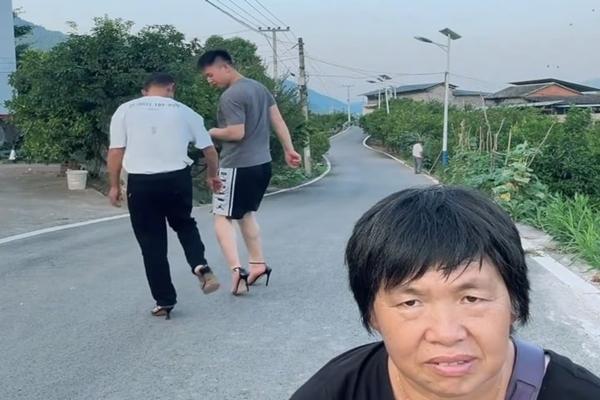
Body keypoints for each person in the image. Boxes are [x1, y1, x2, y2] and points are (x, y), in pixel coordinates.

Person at [291, 186, 600, 399]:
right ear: (372, 314)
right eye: (411, 302)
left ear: (515, 303)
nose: (447, 334)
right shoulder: (334, 391)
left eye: (471, 299)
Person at [107, 72, 222, 319]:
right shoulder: (185, 111)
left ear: (145, 91)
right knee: (185, 225)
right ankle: (200, 265)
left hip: (141, 183)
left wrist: (114, 185)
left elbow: (116, 152)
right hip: (177, 179)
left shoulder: (125, 110)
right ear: (171, 88)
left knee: (152, 244)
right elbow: (210, 151)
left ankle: (165, 302)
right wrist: (212, 176)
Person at [197, 49, 302, 295]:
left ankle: (237, 271)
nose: (210, 80)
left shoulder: (231, 96)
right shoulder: (259, 88)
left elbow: (236, 133)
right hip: (262, 165)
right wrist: (289, 149)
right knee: (245, 214)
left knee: (222, 216)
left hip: (237, 166)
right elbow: (278, 120)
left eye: (210, 75)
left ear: (225, 67)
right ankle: (258, 264)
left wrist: (209, 131)